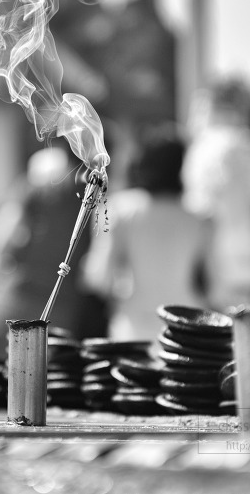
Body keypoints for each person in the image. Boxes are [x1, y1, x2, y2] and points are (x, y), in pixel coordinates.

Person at [0, 147, 108, 359]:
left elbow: (0, 243)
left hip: (32, 298)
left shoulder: (40, 189)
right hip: (52, 302)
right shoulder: (89, 198)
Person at [81, 128, 205, 340]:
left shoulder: (120, 210)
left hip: (132, 334)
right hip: (185, 334)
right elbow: (215, 286)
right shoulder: (200, 219)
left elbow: (98, 278)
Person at [181, 81, 250, 311]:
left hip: (217, 260)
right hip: (248, 256)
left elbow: (200, 210)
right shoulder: (249, 143)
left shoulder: (205, 148)